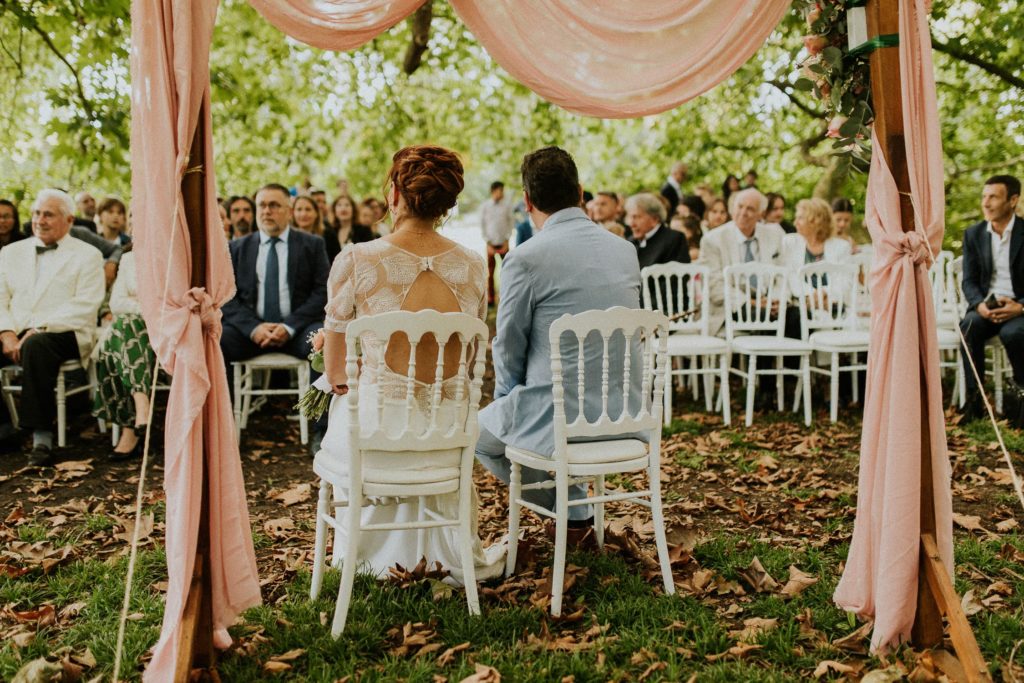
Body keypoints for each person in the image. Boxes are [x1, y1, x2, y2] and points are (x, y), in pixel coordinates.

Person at [319, 144, 503, 580]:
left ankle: (368, 556)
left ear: (395, 194)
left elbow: (334, 373)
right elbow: (468, 354)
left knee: (347, 400)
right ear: (447, 204)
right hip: (446, 435)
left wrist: (357, 376)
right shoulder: (475, 266)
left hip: (379, 438)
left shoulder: (357, 259)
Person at [475, 146, 643, 543]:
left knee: (477, 440)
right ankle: (577, 514)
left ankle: (571, 513)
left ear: (527, 200)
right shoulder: (625, 250)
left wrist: (506, 399)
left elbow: (509, 343)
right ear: (581, 192)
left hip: (558, 417)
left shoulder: (525, 258)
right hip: (625, 412)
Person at [221, 183, 331, 452]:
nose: (266, 211)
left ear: (289, 210)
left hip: (297, 328)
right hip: (250, 331)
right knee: (216, 340)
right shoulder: (237, 248)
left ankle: (321, 432)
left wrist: (289, 326)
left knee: (325, 347)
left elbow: (322, 292)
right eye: (262, 205)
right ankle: (222, 432)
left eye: (274, 205)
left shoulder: (311, 245)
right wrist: (253, 328)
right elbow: (226, 296)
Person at [0, 189, 105, 465]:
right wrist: (6, 332)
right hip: (15, 328)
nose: (40, 220)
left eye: (48, 214)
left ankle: (42, 438)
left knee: (37, 345)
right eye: (36, 213)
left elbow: (85, 304)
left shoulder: (88, 255)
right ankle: (4, 428)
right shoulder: (10, 253)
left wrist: (38, 328)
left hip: (64, 331)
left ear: (69, 220)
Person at [959, 175, 1024, 418]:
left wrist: (1020, 307)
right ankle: (975, 403)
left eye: (993, 197)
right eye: (984, 197)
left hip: (1018, 307)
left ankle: (1019, 400)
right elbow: (969, 280)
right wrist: (979, 305)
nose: (985, 203)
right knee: (968, 326)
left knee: (1014, 333)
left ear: (1013, 200)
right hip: (987, 306)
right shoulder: (973, 234)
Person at [92, 246, 156, 460]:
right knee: (125, 325)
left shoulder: (175, 254)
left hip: (166, 331)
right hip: (132, 332)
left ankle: (133, 422)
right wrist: (146, 308)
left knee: (121, 329)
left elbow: (168, 304)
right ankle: (141, 407)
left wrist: (141, 307)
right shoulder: (129, 259)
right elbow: (116, 302)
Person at [699, 188, 785, 336]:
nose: (743, 213)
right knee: (766, 318)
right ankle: (762, 360)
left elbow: (783, 274)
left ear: (760, 214)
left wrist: (776, 299)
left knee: (796, 316)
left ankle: (789, 360)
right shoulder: (713, 240)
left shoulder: (774, 235)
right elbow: (714, 286)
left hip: (769, 302)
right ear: (732, 208)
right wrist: (751, 302)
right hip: (731, 306)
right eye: (740, 206)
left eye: (750, 209)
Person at [780, 198, 852, 337]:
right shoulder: (790, 242)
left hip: (831, 304)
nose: (795, 223)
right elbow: (791, 276)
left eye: (800, 218)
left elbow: (845, 282)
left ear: (815, 220)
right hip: (802, 302)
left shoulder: (841, 247)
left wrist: (824, 293)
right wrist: (811, 296)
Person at [626, 192, 689, 269]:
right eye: (630, 217)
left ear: (654, 219)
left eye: (636, 217)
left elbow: (677, 277)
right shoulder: (630, 242)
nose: (631, 224)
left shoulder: (675, 239)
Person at [480, 180, 516, 305]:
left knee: (507, 270)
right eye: (500, 190)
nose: (502, 193)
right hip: (490, 243)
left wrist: (507, 240)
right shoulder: (485, 206)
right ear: (493, 191)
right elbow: (482, 225)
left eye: (503, 190)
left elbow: (511, 223)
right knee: (490, 272)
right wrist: (487, 242)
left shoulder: (507, 206)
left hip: (504, 243)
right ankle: (490, 299)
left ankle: (506, 296)